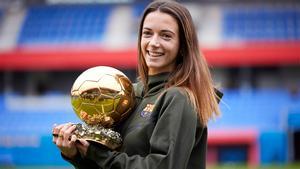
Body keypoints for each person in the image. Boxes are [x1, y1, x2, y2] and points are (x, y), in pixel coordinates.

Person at [52, 1, 222, 169]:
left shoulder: (178, 98)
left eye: (166, 36)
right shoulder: (131, 93)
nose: (154, 43)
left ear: (183, 45)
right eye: (147, 33)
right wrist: (76, 155)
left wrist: (98, 154)